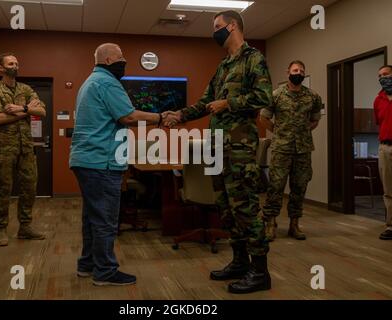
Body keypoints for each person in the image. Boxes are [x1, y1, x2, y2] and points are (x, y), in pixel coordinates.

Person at [164, 11, 272, 294]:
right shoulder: (223, 67)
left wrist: (229, 103)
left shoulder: (253, 59)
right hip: (217, 148)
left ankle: (260, 272)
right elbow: (204, 103)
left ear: (232, 26)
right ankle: (239, 262)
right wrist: (180, 115)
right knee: (226, 209)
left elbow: (264, 98)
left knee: (245, 208)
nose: (214, 34)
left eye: (217, 28)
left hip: (239, 148)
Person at [70, 43, 164, 286]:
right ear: (110, 59)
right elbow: (128, 116)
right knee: (105, 220)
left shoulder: (88, 83)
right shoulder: (107, 82)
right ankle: (105, 272)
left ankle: (87, 264)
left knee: (92, 217)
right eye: (122, 57)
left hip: (85, 160)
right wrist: (161, 117)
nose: (124, 61)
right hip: (102, 162)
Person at [259, 61, 322, 242]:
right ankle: (270, 222)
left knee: (299, 187)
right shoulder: (276, 95)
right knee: (276, 186)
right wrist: (279, 132)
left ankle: (294, 224)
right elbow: (263, 118)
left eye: (302, 71)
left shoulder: (313, 97)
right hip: (282, 148)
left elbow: (315, 120)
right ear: (288, 73)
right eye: (295, 70)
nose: (298, 73)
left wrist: (302, 131)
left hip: (303, 149)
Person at [0, 53, 46, 246]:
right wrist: (26, 111)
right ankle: (1, 229)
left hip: (26, 148)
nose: (15, 65)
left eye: (17, 63)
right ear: (2, 68)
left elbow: (42, 111)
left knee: (29, 187)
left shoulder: (26, 89)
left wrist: (21, 108)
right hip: (4, 148)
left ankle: (25, 227)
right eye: (11, 63)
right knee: (4, 189)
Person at [374, 65, 392, 240]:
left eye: (386, 74)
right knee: (389, 189)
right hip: (385, 148)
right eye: (380, 76)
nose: (382, 78)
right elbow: (379, 123)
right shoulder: (378, 100)